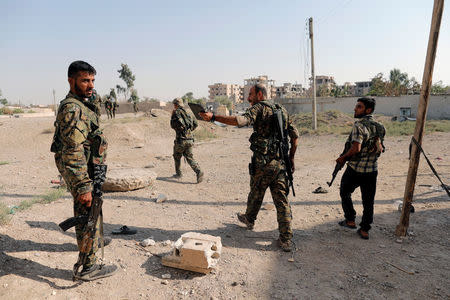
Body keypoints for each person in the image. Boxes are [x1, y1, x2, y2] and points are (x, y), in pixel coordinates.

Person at [200, 84, 299, 252]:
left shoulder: (259, 108)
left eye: (251, 95)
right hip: (281, 164)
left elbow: (240, 121)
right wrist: (291, 158)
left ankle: (250, 218)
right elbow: (295, 136)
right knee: (281, 201)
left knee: (256, 191)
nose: (248, 99)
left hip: (263, 164)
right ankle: (286, 239)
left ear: (260, 94)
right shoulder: (281, 109)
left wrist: (214, 117)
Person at [51, 60, 117, 280]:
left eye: (92, 80)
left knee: (95, 207)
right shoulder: (73, 109)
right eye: (85, 81)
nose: (90, 85)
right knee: (86, 210)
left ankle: (94, 241)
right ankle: (88, 266)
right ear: (71, 81)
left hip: (90, 164)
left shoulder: (85, 100)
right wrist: (82, 186)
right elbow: (72, 151)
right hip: (79, 167)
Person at [336, 97, 385, 240]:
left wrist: (343, 157)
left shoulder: (359, 126)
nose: (355, 109)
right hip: (372, 170)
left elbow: (356, 148)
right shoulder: (380, 127)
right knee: (368, 201)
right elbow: (380, 147)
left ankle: (350, 220)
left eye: (359, 107)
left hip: (355, 169)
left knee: (345, 191)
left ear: (368, 110)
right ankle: (365, 230)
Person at [170, 97, 204, 183]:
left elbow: (172, 126)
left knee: (177, 156)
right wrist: (189, 131)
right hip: (190, 139)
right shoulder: (189, 112)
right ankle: (199, 171)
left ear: (175, 105)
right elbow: (196, 124)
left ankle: (178, 173)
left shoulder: (176, 112)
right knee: (189, 157)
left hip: (180, 140)